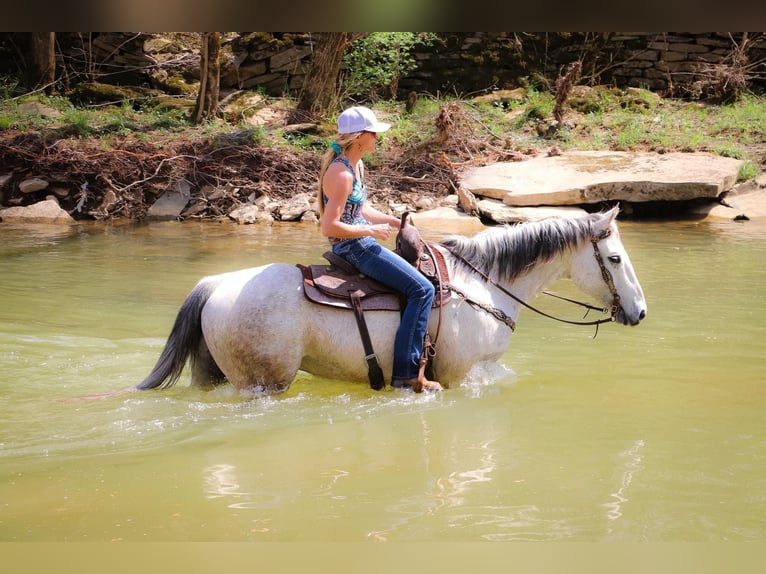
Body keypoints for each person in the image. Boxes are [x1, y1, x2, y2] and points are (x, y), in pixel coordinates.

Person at [317, 106, 441, 392]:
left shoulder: (356, 166)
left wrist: (397, 223)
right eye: (374, 133)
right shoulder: (341, 174)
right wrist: (369, 231)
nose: (377, 138)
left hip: (361, 240)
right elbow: (330, 226)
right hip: (354, 247)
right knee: (423, 290)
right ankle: (407, 373)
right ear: (359, 136)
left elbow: (361, 208)